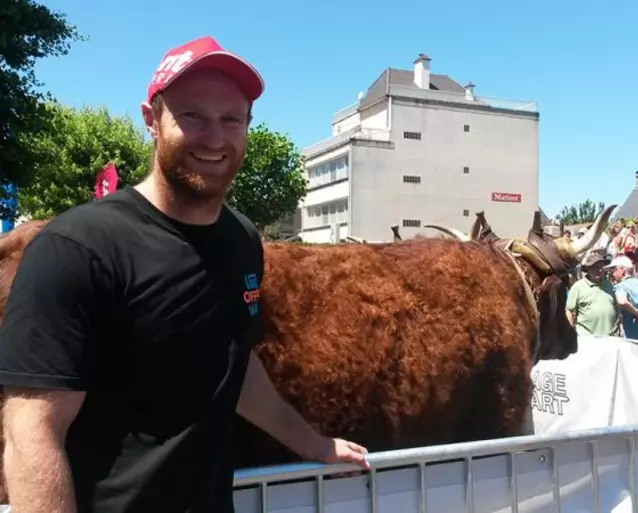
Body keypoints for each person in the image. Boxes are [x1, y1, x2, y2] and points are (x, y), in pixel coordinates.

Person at [0, 36, 369, 513]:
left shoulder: (240, 241)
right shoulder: (79, 248)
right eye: (192, 116)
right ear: (151, 120)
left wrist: (313, 444)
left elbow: (234, 363)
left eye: (230, 120)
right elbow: (32, 433)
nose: (214, 138)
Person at [565, 252, 619, 336]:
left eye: (601, 267)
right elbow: (569, 310)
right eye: (596, 267)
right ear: (588, 269)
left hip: (609, 337)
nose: (599, 270)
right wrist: (570, 333)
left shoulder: (609, 285)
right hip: (586, 337)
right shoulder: (578, 287)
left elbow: (615, 306)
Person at [605, 255, 638, 340]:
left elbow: (622, 302)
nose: (612, 274)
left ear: (622, 270)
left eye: (613, 270)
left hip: (632, 337)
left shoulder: (621, 286)